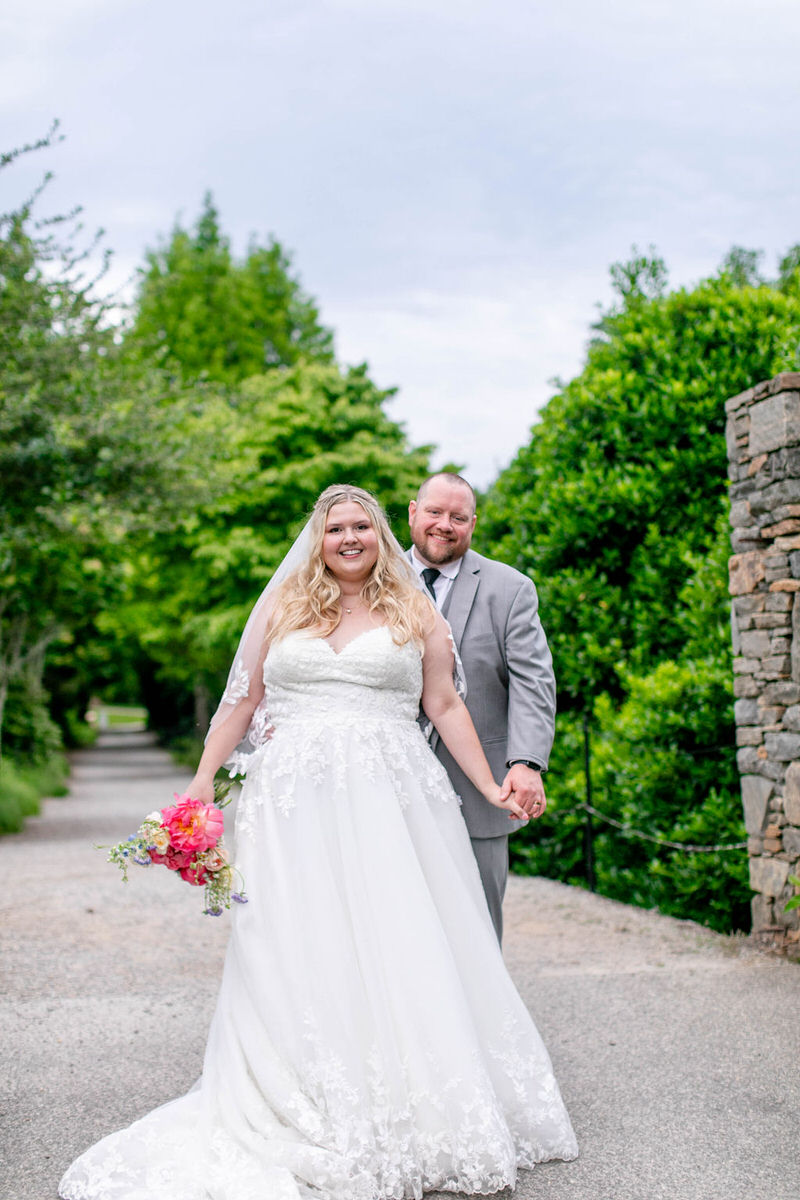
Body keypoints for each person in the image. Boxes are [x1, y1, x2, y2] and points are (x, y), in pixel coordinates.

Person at [59, 484, 576, 1200]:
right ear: (319, 536)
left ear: (382, 533)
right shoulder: (281, 607)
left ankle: (407, 1102)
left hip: (393, 802)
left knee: (396, 940)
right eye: (337, 528)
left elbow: (446, 703)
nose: (351, 538)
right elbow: (242, 701)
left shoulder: (413, 608)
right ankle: (296, 1095)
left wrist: (492, 785)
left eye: (363, 525)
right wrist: (203, 782)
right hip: (291, 805)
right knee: (296, 942)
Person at [408, 472, 556, 942]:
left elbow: (534, 681)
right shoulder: (371, 579)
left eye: (458, 517)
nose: (444, 525)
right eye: (434, 512)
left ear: (474, 524)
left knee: (478, 923)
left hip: (480, 785)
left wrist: (526, 762)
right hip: (388, 781)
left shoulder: (510, 588)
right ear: (413, 512)